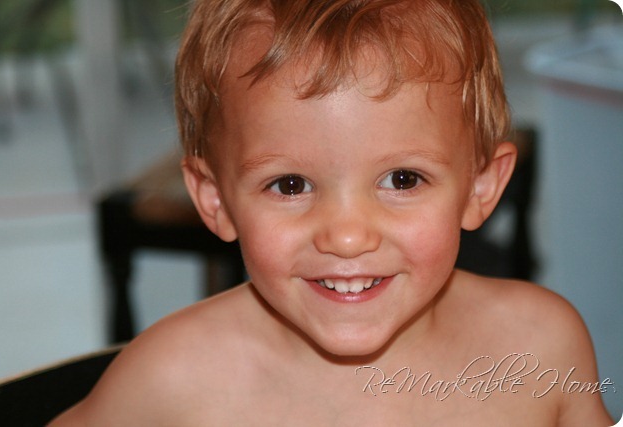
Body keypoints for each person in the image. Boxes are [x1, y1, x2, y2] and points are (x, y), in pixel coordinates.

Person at [50, 0, 614, 425]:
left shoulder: (542, 347)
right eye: (290, 184)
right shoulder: (171, 381)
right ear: (214, 199)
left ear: (480, 187)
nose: (346, 237)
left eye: (402, 179)